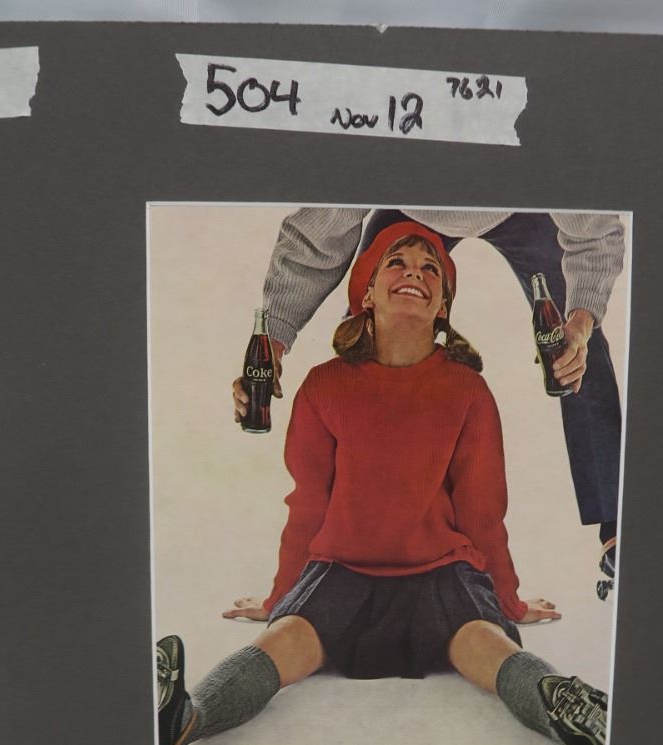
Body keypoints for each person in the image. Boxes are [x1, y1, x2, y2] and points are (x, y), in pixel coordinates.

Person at [159, 220, 608, 745]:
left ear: (443, 306)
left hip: (443, 576)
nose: (414, 272)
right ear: (366, 293)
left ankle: (568, 706)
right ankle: (184, 718)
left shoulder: (468, 389)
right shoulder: (323, 385)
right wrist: (281, 599)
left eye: (431, 269)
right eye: (396, 262)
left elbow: (484, 513)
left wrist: (508, 603)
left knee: (492, 648)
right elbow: (307, 507)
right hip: (342, 575)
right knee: (281, 643)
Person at [236, 206, 624, 597]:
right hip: (413, 210)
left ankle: (617, 527)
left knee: (577, 350)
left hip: (521, 209)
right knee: (364, 345)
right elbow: (315, 237)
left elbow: (594, 232)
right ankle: (351, 541)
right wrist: (272, 344)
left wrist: (582, 319)